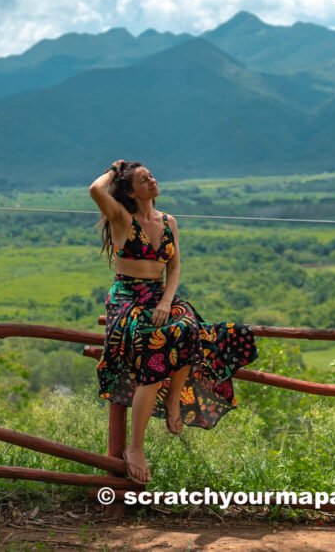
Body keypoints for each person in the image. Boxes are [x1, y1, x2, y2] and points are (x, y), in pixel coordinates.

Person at [88, 160, 259, 483]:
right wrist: (115, 168)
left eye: (151, 175)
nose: (151, 180)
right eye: (142, 179)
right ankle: (135, 447)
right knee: (155, 350)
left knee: (190, 330)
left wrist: (167, 301)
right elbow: (95, 189)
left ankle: (173, 398)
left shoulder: (169, 222)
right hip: (128, 297)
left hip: (158, 296)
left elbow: (175, 266)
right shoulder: (122, 218)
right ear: (129, 190)